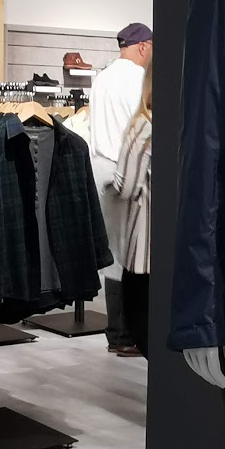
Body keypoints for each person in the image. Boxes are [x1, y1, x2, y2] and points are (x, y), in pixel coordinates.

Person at [90, 23, 152, 354]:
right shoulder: (137, 78)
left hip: (101, 165)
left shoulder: (101, 77)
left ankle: (116, 332)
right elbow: (140, 125)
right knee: (132, 253)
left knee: (114, 254)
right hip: (127, 169)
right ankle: (126, 332)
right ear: (143, 47)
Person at [113, 65, 154, 355]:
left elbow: (126, 185)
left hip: (145, 245)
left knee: (141, 321)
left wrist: (109, 184)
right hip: (173, 244)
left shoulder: (143, 125)